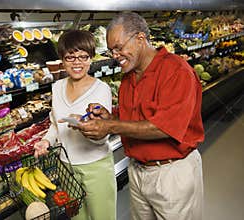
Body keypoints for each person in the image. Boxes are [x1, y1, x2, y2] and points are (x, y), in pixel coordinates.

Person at [76, 12, 205, 220]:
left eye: (119, 48)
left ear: (140, 38)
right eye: (111, 51)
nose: (115, 55)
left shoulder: (176, 71)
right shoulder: (129, 77)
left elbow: (163, 127)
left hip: (171, 174)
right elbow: (136, 118)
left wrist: (111, 127)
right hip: (137, 171)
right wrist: (110, 117)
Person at [33, 30, 117, 220]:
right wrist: (46, 141)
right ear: (62, 59)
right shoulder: (57, 87)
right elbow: (55, 124)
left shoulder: (101, 90)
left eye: (83, 57)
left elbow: (103, 136)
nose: (77, 62)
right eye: (70, 57)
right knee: (77, 217)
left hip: (96, 167)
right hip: (66, 168)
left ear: (91, 58)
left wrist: (85, 127)